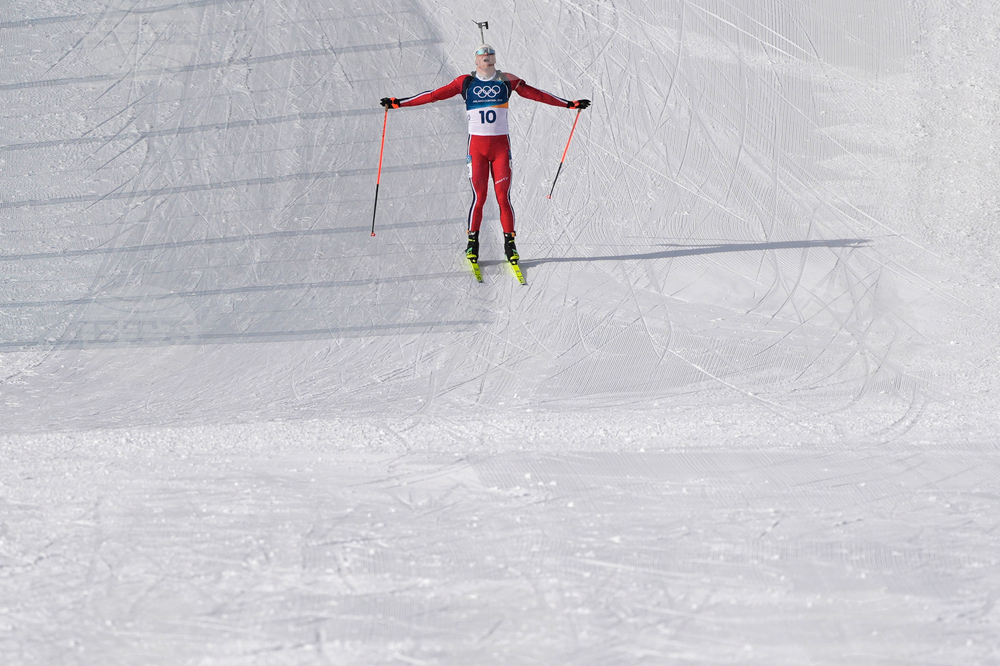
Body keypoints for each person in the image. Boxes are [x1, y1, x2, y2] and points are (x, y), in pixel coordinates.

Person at [381, 44, 590, 265]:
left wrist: (568, 104)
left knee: (503, 198)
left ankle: (510, 245)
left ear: (495, 59)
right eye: (482, 55)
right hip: (477, 149)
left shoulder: (507, 80)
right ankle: (473, 244)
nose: (487, 57)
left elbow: (536, 95)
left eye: (490, 55)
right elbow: (434, 95)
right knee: (479, 197)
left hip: (500, 149)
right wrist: (399, 103)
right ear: (476, 61)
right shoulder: (466, 83)